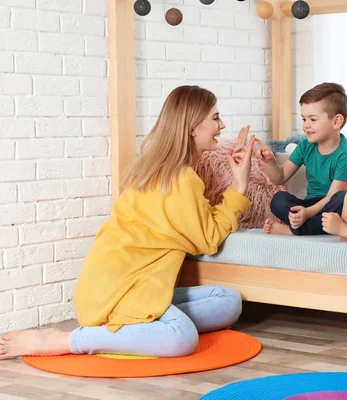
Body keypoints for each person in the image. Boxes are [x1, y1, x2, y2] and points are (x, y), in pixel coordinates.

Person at [0, 86, 257, 359]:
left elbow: (200, 229)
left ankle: (143, 331)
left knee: (228, 302)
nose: (222, 125)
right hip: (120, 293)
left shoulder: (160, 171)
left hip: (124, 287)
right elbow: (208, 240)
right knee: (182, 338)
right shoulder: (180, 179)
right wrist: (239, 185)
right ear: (193, 127)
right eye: (215, 118)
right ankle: (65, 340)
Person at [256, 82, 347, 236]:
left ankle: (292, 230)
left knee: (341, 200)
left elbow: (331, 198)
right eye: (304, 119)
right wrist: (269, 161)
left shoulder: (346, 155)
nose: (305, 126)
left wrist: (306, 214)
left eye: (313, 120)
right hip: (310, 204)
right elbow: (279, 178)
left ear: (336, 121)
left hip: (330, 206)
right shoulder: (305, 145)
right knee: (278, 199)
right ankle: (307, 226)